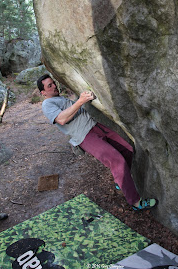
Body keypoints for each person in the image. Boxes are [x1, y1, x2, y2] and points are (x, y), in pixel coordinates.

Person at [37, 74, 158, 211]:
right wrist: (80, 101)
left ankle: (121, 181)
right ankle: (135, 202)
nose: (54, 86)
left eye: (53, 83)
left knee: (127, 149)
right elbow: (61, 119)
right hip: (85, 136)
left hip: (96, 127)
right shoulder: (47, 104)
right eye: (49, 85)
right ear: (43, 92)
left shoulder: (58, 99)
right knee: (117, 161)